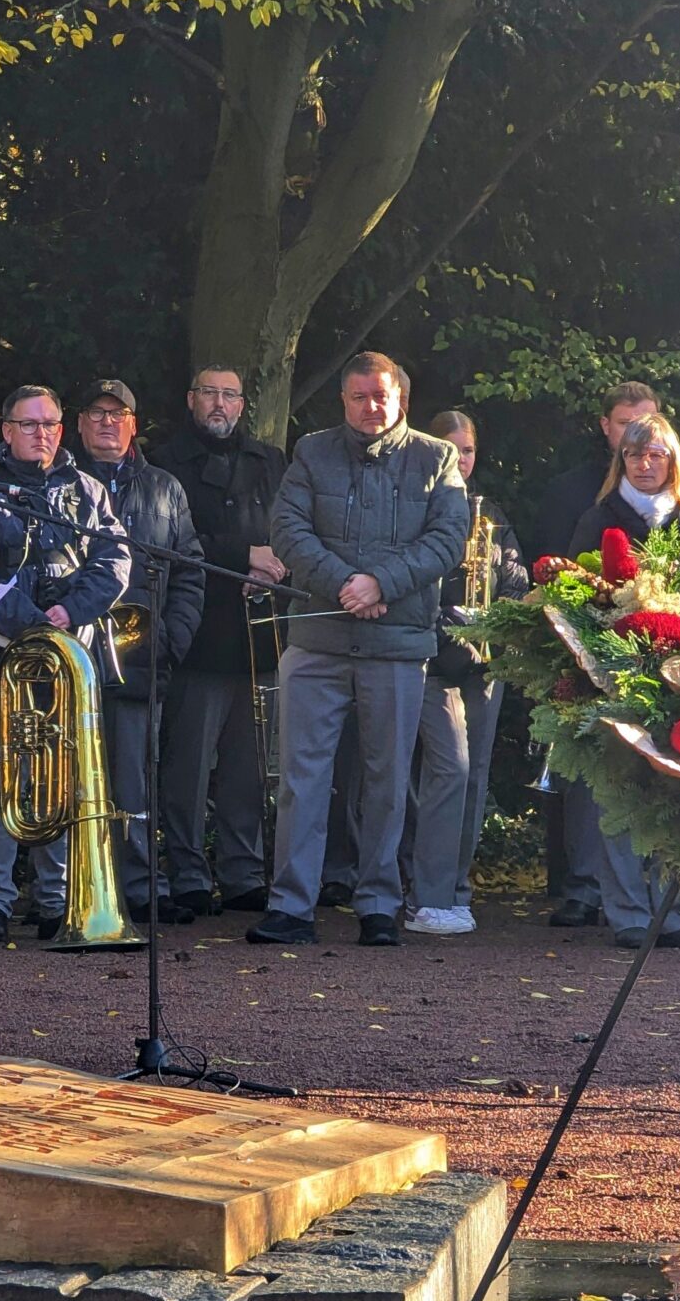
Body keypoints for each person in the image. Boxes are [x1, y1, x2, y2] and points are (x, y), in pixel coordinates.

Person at [249, 352, 467, 949]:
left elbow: (449, 538)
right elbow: (287, 529)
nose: (371, 408)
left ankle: (378, 904)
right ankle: (292, 905)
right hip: (318, 639)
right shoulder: (312, 452)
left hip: (397, 645)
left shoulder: (437, 457)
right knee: (301, 776)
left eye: (381, 396)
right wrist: (347, 584)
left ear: (402, 397)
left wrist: (382, 584)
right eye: (358, 398)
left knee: (388, 779)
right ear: (343, 401)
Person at [0, 384, 130, 943]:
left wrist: (70, 611)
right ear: (6, 431)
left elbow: (115, 560)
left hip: (72, 659)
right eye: (28, 424)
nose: (40, 433)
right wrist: (35, 625)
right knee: (2, 776)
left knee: (64, 776)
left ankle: (55, 900)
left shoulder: (87, 489)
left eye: (48, 425)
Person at [565, 413, 680, 950]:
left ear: (673, 460)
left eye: (656, 454)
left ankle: (675, 914)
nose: (646, 463)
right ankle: (629, 912)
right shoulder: (598, 519)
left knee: (677, 791)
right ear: (622, 462)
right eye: (635, 455)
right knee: (620, 791)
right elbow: (576, 600)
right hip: (615, 672)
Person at [151, 366, 290, 917]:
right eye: (209, 392)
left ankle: (243, 872)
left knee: (249, 766)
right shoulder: (164, 463)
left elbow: (292, 526)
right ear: (191, 399)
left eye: (230, 395)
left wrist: (276, 562)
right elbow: (171, 541)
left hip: (260, 635)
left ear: (242, 404)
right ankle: (187, 872)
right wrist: (243, 558)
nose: (219, 404)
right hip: (199, 632)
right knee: (187, 765)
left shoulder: (271, 461)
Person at [72, 379, 205, 921]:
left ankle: (139, 888)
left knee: (134, 777)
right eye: (97, 412)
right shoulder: (60, 485)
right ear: (79, 424)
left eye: (118, 413)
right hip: (73, 650)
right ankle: (70, 890)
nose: (107, 422)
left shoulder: (165, 488)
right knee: (69, 773)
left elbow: (191, 572)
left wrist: (171, 638)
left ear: (134, 423)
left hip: (139, 657)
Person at [533, 379, 657, 930]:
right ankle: (584, 888)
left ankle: (663, 907)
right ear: (607, 429)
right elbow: (558, 576)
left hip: (669, 663)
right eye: (628, 430)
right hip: (597, 654)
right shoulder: (574, 495)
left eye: (649, 431)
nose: (639, 444)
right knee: (593, 780)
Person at [402, 410, 528, 937]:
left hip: (485, 661)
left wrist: (498, 614)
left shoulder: (490, 511)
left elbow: (517, 576)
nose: (464, 459)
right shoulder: (415, 503)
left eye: (470, 450)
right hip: (432, 658)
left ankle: (455, 888)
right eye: (454, 449)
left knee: (473, 778)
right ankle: (422, 888)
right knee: (443, 772)